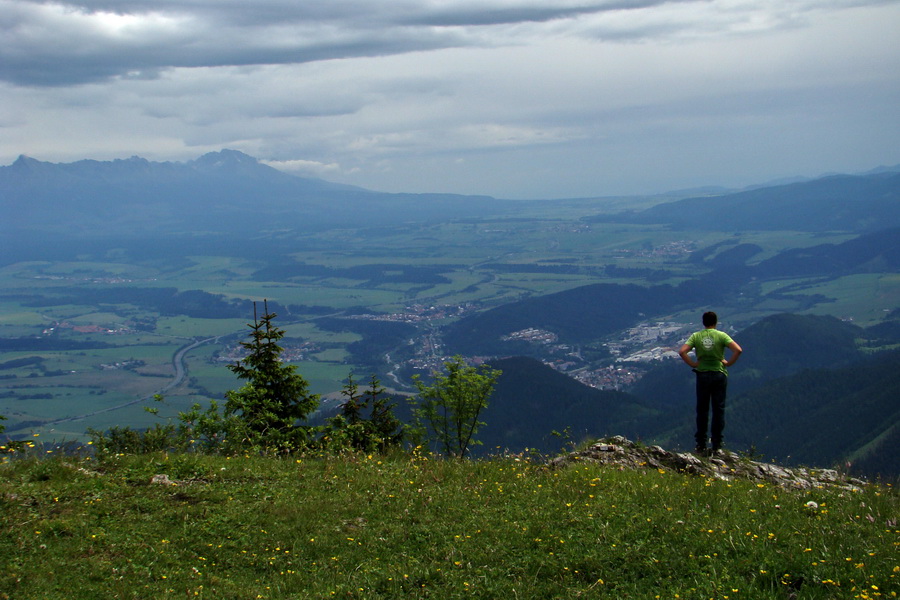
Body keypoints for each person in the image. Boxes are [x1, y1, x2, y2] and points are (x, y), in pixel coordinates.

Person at [678, 311, 742, 455]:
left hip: (702, 375)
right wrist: (728, 363)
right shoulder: (721, 336)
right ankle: (717, 444)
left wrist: (694, 364)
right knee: (718, 409)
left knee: (702, 410)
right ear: (716, 322)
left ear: (703, 322)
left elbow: (682, 351)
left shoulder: (696, 336)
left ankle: (701, 443)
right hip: (719, 374)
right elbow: (738, 350)